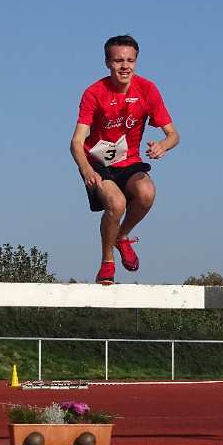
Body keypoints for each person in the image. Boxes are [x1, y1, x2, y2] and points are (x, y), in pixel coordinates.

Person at [70, 35, 180, 284]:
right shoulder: (94, 93)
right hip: (97, 161)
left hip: (129, 161)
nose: (124, 66)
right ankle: (107, 261)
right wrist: (86, 170)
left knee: (147, 193)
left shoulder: (147, 90)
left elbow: (174, 135)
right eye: (118, 60)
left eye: (130, 60)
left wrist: (163, 145)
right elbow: (76, 142)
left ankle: (122, 236)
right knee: (117, 203)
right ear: (107, 62)